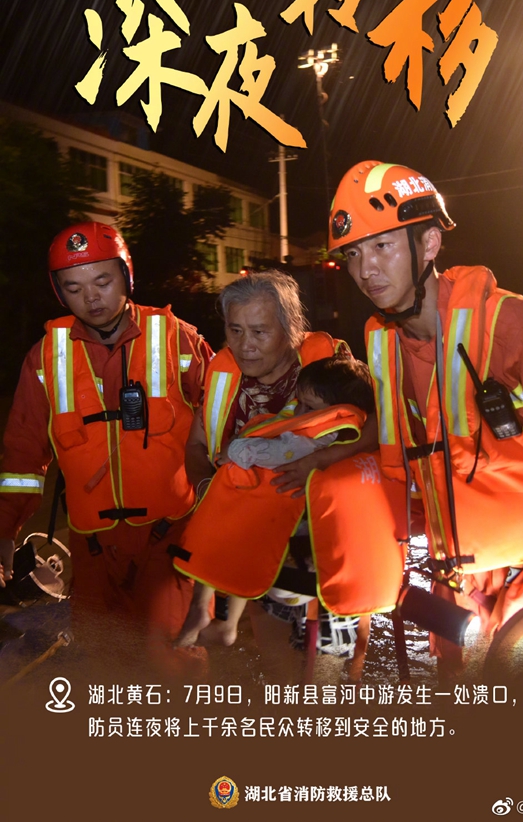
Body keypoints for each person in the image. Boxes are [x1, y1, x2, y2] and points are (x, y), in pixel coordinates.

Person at [328, 160, 523, 670]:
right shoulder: (381, 339)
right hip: (454, 581)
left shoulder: (509, 323)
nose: (365, 270)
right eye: (353, 254)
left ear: (429, 244)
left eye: (382, 246)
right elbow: (403, 442)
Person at [0, 221, 213, 664]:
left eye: (102, 281)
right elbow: (22, 455)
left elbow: (228, 419)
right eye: (73, 287)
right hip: (92, 548)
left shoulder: (178, 339)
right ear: (59, 292)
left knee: (169, 660)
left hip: (170, 536)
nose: (91, 297)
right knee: (103, 663)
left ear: (126, 276)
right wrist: (4, 530)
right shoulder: (45, 356)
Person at [183, 270, 384, 664]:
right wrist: (207, 488)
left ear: (291, 328)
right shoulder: (224, 375)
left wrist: (322, 459)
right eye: (235, 330)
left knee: (330, 673)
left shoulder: (334, 367)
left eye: (259, 332)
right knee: (277, 664)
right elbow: (196, 444)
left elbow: (381, 424)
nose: (245, 345)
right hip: (259, 545)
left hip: (326, 544)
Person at [174, 356, 377, 648]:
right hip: (306, 565)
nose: (300, 412)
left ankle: (215, 617)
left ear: (339, 410)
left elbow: (281, 452)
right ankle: (225, 623)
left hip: (300, 569)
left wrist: (236, 450)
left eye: (309, 407)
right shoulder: (349, 432)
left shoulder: (322, 436)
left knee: (234, 524)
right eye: (300, 403)